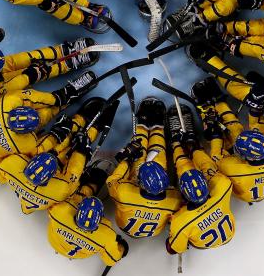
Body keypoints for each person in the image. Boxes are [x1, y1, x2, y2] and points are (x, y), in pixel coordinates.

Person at [0, 98, 117, 214]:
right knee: (74, 151)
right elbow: (74, 173)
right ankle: (90, 130)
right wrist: (82, 150)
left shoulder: (11, 165)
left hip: (41, 189)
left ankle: (76, 123)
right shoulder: (59, 189)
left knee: (41, 149)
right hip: (58, 178)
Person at [0, 25, 98, 111]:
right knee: (30, 72)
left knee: (16, 61)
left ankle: (63, 51)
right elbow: (10, 85)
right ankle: (67, 63)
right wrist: (30, 75)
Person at [191, 78, 264, 204]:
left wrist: (215, 135)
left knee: (222, 141)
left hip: (241, 184)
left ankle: (206, 108)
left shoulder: (235, 170)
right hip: (250, 176)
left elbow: (216, 156)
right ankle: (219, 102)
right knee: (236, 131)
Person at [0, 73, 98, 164]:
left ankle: (66, 95)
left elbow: (31, 97)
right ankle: (67, 99)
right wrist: (56, 133)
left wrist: (55, 98)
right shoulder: (23, 141)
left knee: (45, 104)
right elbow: (37, 149)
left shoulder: (8, 102)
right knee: (45, 114)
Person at [106, 97, 183, 238]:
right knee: (158, 158)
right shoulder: (174, 200)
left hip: (127, 218)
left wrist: (127, 160)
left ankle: (142, 123)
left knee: (137, 157)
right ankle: (157, 126)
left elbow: (112, 181)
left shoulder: (125, 194)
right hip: (147, 220)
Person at [164, 104, 236, 254]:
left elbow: (172, 249)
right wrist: (195, 149)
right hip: (221, 232)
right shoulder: (223, 187)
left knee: (184, 167)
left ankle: (177, 141)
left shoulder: (223, 189)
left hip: (207, 234)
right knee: (205, 166)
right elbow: (171, 249)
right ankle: (190, 142)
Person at [46, 167, 129, 267]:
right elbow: (111, 260)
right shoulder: (106, 235)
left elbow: (51, 201)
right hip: (79, 254)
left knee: (78, 194)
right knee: (92, 184)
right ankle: (93, 183)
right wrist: (121, 247)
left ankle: (86, 184)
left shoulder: (60, 212)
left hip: (55, 243)